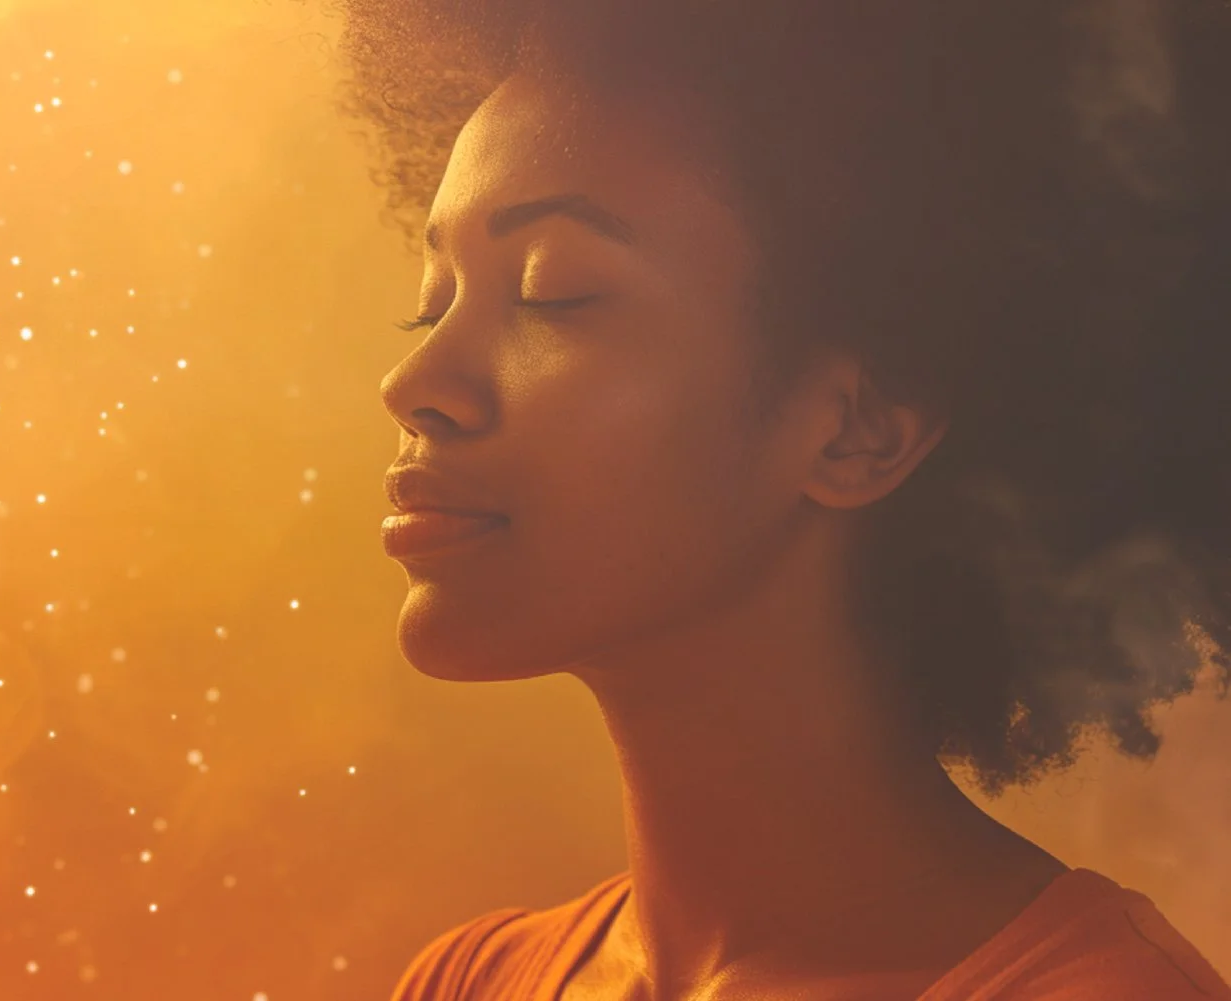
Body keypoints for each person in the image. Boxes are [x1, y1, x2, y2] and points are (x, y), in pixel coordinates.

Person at [338, 0, 1231, 997]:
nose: (413, 379)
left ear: (857, 429)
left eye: (554, 291)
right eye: (432, 299)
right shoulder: (469, 977)